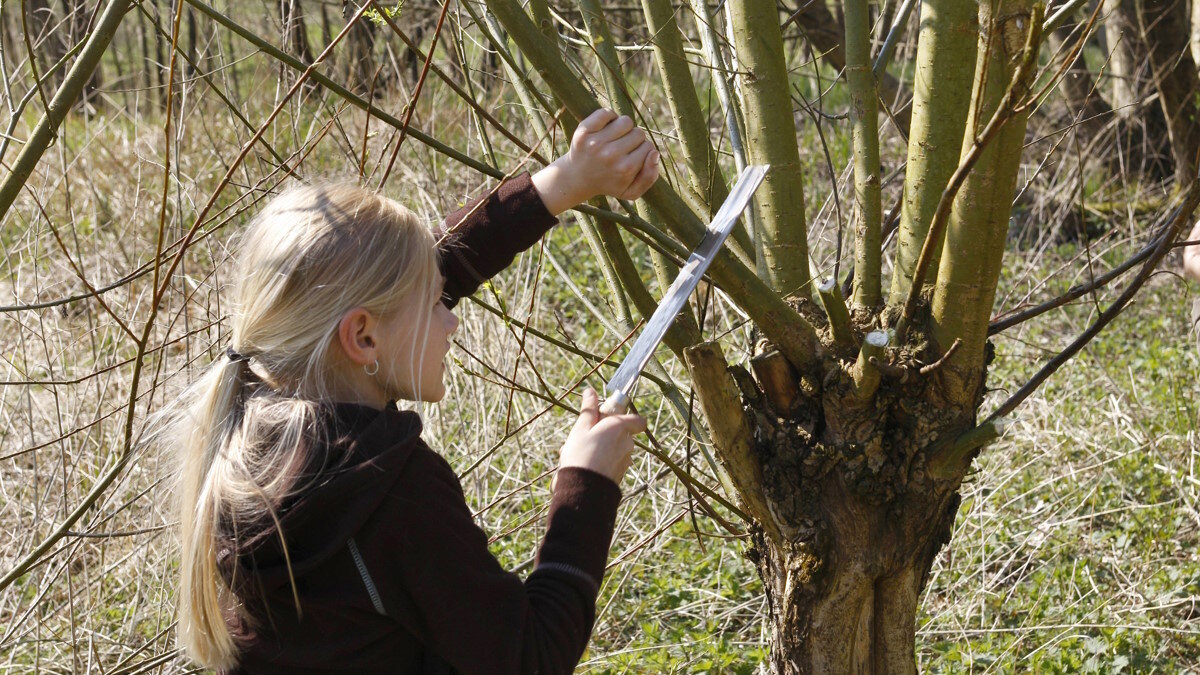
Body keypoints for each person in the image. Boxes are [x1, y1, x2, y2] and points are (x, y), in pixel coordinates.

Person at [161, 108, 660, 674]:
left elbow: (408, 276)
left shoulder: (255, 423)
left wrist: (567, 180)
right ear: (363, 336)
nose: (450, 320)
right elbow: (529, 658)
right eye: (434, 305)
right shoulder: (389, 494)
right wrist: (585, 487)